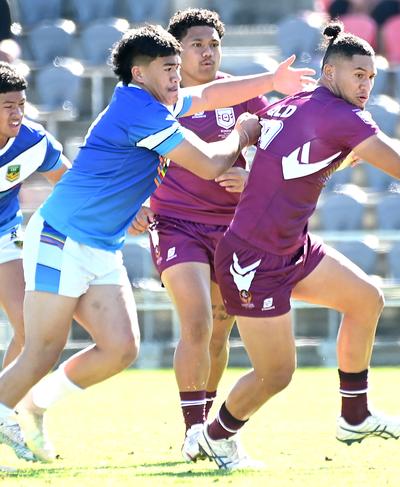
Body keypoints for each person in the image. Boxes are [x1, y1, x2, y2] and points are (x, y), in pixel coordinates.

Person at [195, 21, 400, 470]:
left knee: (365, 300)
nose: (366, 85)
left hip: (289, 247)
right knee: (276, 374)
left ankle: (354, 416)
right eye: (358, 75)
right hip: (253, 257)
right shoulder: (341, 116)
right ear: (329, 74)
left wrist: (256, 166)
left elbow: (273, 142)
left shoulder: (301, 102)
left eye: (372, 77)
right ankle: (214, 436)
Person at [0, 23, 314, 463]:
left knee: (120, 348)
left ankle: (33, 407)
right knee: (41, 349)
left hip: (100, 246)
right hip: (61, 238)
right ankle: (8, 414)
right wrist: (242, 134)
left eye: (175, 68)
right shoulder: (140, 111)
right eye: (168, 68)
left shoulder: (151, 100)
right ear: (139, 72)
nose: (176, 77)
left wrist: (272, 83)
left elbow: (206, 97)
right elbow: (209, 164)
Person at [128, 8, 268, 462]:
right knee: (197, 322)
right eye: (196, 45)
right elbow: (118, 152)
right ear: (176, 51)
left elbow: (280, 150)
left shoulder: (239, 95)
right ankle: (193, 432)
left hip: (232, 227)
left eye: (213, 45)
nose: (206, 53)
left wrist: (251, 178)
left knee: (219, 331)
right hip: (175, 224)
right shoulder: (153, 98)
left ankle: (212, 431)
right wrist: (134, 200)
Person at [0, 62, 70, 462]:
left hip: (4, 235)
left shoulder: (32, 141)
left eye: (21, 105)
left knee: (32, 332)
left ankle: (4, 411)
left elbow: (70, 183)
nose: (17, 113)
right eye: (7, 105)